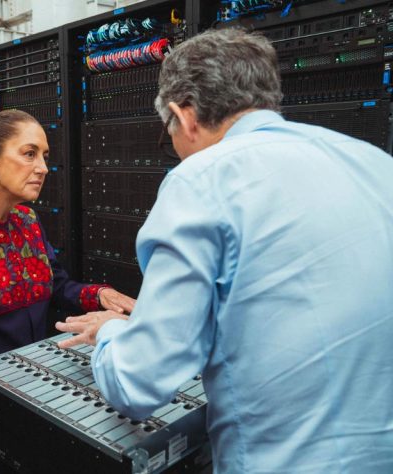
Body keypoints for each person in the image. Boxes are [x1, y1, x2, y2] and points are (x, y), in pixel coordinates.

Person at [56, 28, 393, 473]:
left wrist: (111, 333)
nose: (174, 148)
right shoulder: (373, 162)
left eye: (168, 134)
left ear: (185, 114)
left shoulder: (201, 180)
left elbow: (137, 385)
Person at [0, 109, 135, 473]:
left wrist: (98, 294)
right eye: (30, 153)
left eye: (45, 156)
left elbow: (57, 285)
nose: (43, 167)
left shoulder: (27, 221)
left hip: (39, 396)